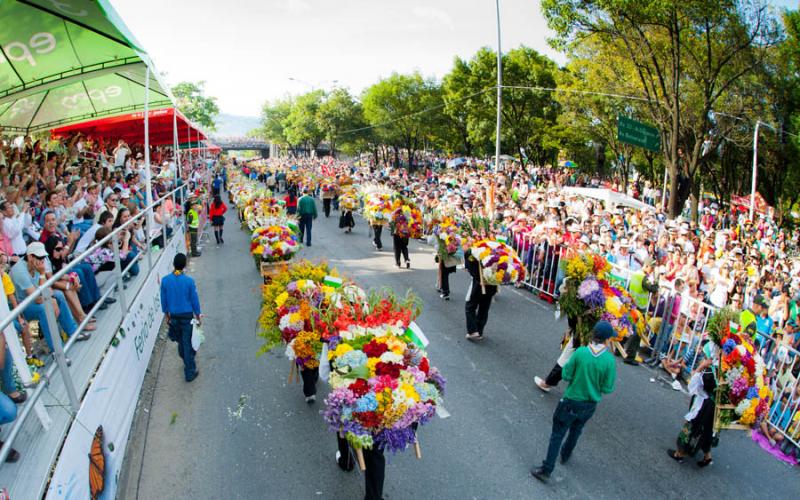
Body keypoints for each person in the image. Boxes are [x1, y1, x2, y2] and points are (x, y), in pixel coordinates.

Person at [531, 320, 617, 482]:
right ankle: (566, 454)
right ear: (606, 340)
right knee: (577, 429)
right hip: (590, 404)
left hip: (571, 399)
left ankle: (547, 468)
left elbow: (566, 375)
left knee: (558, 433)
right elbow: (607, 388)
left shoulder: (581, 352)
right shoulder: (609, 361)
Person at [9, 243, 86, 359]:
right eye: (39, 258)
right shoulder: (19, 271)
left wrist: (52, 298)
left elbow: (47, 288)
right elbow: (38, 299)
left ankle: (73, 332)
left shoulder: (37, 265)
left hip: (34, 298)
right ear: (30, 257)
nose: (42, 260)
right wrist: (42, 274)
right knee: (43, 309)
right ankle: (57, 350)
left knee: (58, 295)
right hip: (20, 306)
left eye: (43, 257)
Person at [160, 253, 202, 382]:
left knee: (181, 342)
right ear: (184, 265)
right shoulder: (189, 281)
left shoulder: (165, 280)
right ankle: (189, 371)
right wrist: (198, 315)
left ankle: (185, 358)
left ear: (174, 264)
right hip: (187, 317)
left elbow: (163, 301)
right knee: (187, 344)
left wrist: (167, 316)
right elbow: (194, 300)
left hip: (174, 317)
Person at [667, 362, 717, 467]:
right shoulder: (727, 371)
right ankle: (707, 456)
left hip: (704, 404)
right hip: (715, 407)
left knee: (691, 427)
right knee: (707, 430)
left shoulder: (710, 372)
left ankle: (679, 453)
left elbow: (693, 383)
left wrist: (702, 366)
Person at [624, 259, 659, 365]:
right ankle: (630, 356)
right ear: (647, 266)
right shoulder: (643, 277)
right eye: (652, 268)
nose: (652, 271)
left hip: (631, 305)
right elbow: (653, 288)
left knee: (627, 328)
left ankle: (619, 350)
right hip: (638, 308)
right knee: (637, 333)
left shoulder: (635, 274)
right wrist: (657, 281)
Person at [464, 249, 497, 341]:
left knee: (470, 306)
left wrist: (473, 250)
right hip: (492, 285)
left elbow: (468, 256)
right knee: (484, 309)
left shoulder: (477, 254)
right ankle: (479, 331)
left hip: (480, 285)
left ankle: (473, 331)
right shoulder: (497, 255)